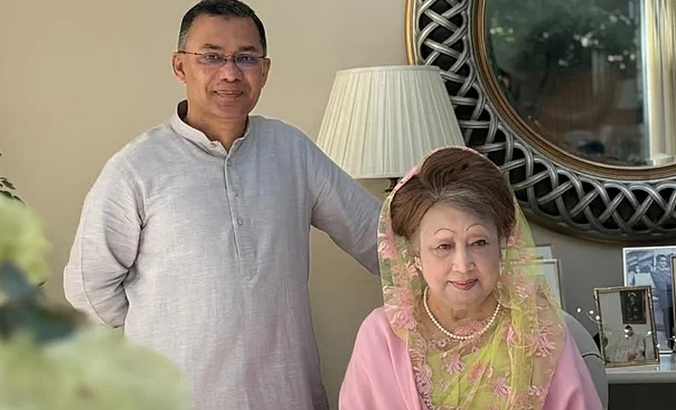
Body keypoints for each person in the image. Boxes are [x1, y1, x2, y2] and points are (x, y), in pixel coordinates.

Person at [62, 1, 380, 410]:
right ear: (180, 66)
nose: (230, 73)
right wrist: (164, 333)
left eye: (245, 58)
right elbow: (88, 288)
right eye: (211, 57)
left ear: (265, 70)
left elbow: (377, 237)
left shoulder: (291, 151)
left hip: (286, 394)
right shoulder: (137, 168)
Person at [339, 147, 603, 410]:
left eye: (478, 242)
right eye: (444, 246)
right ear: (415, 254)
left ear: (501, 244)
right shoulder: (382, 335)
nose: (463, 265)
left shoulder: (538, 328)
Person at [651, 254, 674, 350]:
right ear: (658, 262)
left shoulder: (670, 271)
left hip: (673, 299)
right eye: (662, 261)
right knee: (668, 322)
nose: (664, 263)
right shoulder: (655, 273)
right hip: (666, 300)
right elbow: (662, 286)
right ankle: (670, 343)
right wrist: (672, 282)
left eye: (665, 261)